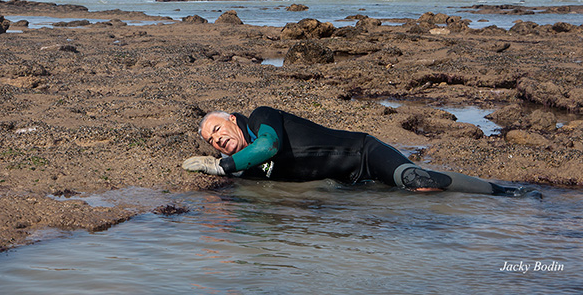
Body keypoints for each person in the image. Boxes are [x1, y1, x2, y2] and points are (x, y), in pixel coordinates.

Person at [183, 106, 531, 196]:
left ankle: (505, 192)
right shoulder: (249, 170)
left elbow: (268, 146)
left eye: (217, 130)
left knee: (416, 180)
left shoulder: (261, 119)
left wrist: (221, 167)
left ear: (232, 119)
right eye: (211, 141)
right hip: (353, 184)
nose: (216, 140)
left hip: (365, 153)